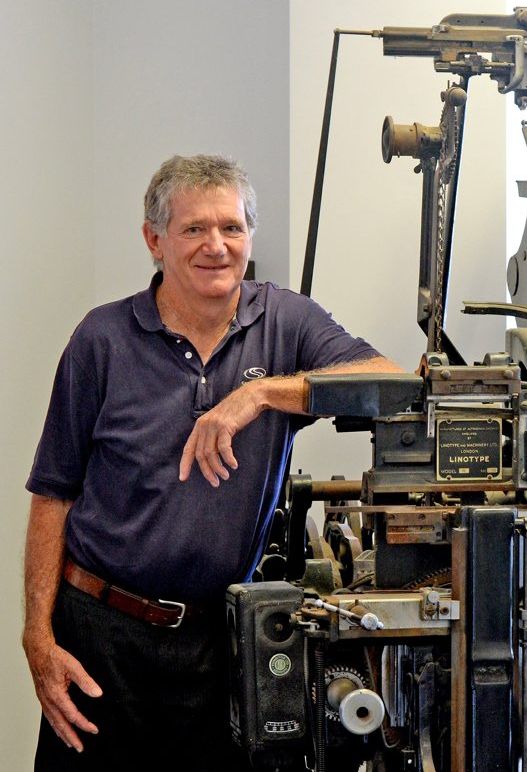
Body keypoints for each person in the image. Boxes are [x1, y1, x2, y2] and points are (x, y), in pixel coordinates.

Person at [22, 154, 402, 771]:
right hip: (100, 635)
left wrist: (260, 393)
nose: (216, 247)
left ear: (250, 237)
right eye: (194, 229)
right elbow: (53, 495)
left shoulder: (286, 321)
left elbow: (389, 384)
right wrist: (38, 637)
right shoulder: (102, 338)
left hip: (217, 641)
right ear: (155, 240)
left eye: (232, 228)